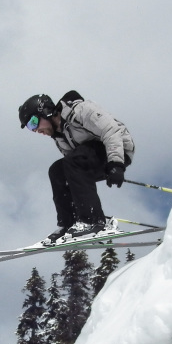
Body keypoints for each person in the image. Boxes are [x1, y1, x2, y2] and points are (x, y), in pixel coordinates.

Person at [18, 91, 135, 244]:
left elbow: (111, 130)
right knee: (57, 171)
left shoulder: (80, 111)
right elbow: (72, 172)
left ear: (45, 111)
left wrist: (116, 163)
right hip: (90, 158)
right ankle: (68, 223)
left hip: (117, 149)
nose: (35, 130)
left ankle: (92, 221)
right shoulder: (59, 137)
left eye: (33, 123)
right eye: (29, 128)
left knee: (73, 161)